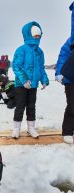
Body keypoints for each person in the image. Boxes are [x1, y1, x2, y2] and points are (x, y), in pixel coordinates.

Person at [12, 21, 49, 139]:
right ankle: (16, 129)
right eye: (35, 35)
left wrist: (44, 79)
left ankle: (31, 128)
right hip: (21, 85)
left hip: (33, 85)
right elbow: (16, 66)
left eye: (39, 36)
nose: (37, 38)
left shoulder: (39, 51)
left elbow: (41, 67)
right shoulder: (21, 50)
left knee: (31, 106)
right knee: (20, 106)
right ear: (29, 35)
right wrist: (24, 80)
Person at [55, 2, 74, 144]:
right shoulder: (69, 42)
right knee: (72, 105)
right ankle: (67, 131)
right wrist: (59, 73)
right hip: (70, 78)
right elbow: (63, 56)